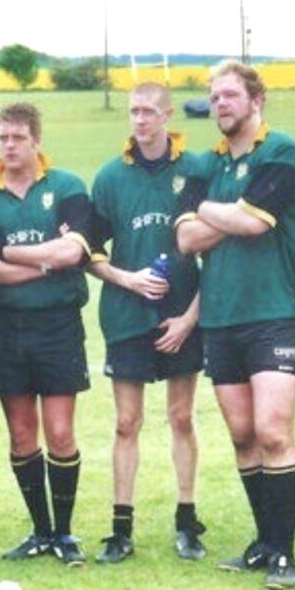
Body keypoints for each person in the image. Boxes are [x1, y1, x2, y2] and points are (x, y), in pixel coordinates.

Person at [176, 61, 295, 589]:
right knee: (242, 434)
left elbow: (255, 224)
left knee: (274, 432)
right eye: (214, 96)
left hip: (274, 314)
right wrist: (229, 212)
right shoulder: (207, 161)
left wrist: (206, 209)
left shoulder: (281, 151)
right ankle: (264, 541)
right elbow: (185, 241)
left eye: (230, 94)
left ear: (257, 100)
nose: (220, 104)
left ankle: (285, 554)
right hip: (222, 318)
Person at [88, 83, 207, 564]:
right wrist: (128, 279)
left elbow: (212, 250)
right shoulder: (111, 177)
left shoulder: (195, 170)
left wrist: (189, 317)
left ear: (167, 115)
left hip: (182, 316)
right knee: (126, 422)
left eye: (149, 111)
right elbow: (89, 253)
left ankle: (186, 521)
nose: (140, 120)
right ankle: (121, 529)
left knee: (181, 417)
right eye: (134, 111)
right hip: (127, 316)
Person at [0, 103, 91, 565]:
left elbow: (73, 253)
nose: (9, 146)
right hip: (4, 326)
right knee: (22, 434)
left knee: (60, 433)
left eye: (18, 138)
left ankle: (64, 534)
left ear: (36, 141)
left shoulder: (66, 187)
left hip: (58, 325)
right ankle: (40, 532)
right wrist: (46, 261)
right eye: (2, 137)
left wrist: (13, 254)